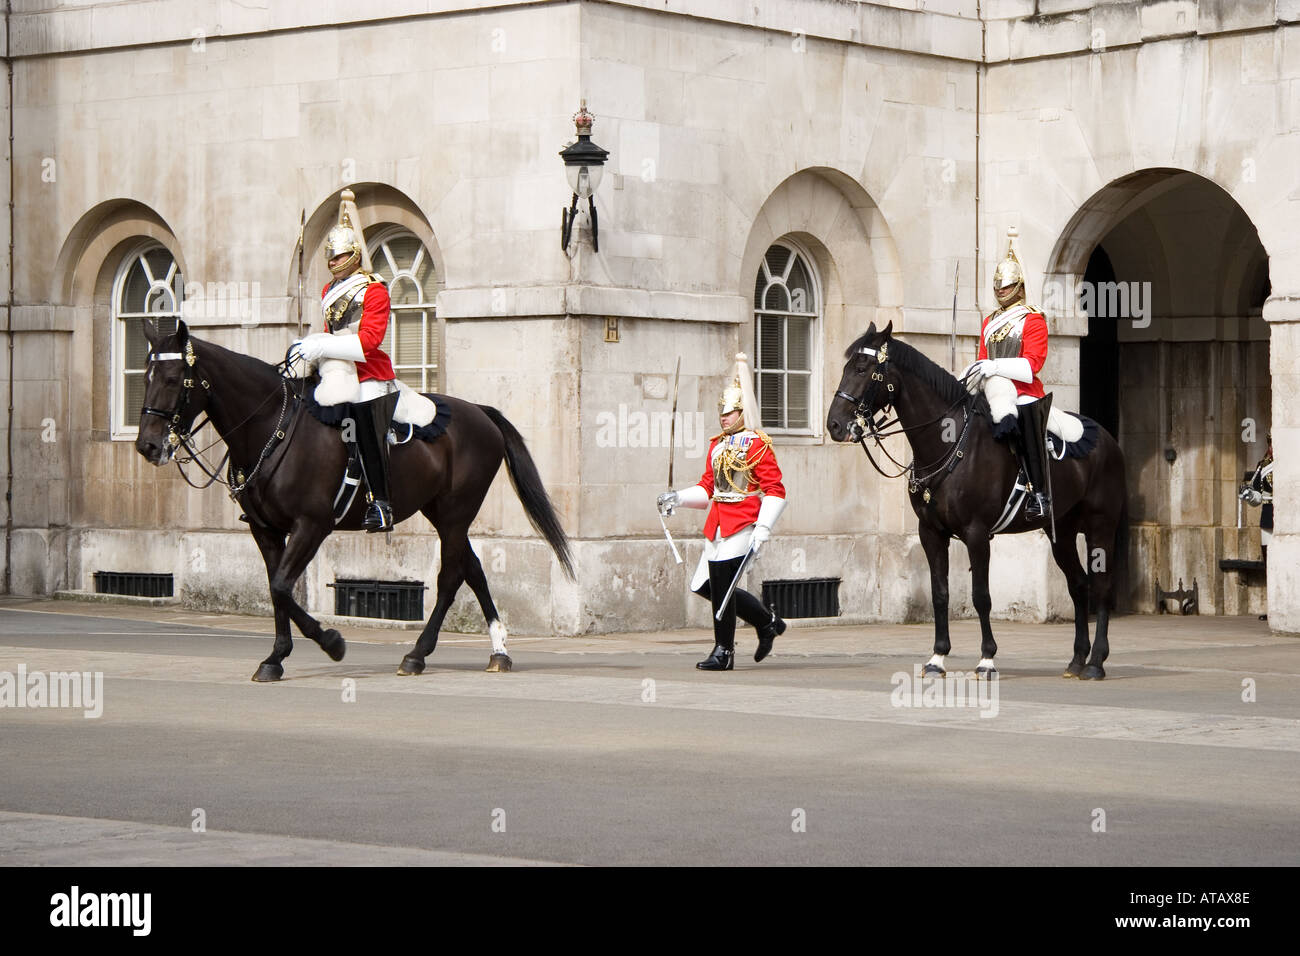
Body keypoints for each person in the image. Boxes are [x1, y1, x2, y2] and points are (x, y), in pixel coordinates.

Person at [657, 354, 787, 670]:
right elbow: (707, 489)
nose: (724, 418)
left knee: (722, 585)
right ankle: (766, 620)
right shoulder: (717, 446)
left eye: (730, 413)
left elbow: (775, 489)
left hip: (742, 522)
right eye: (722, 413)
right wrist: (677, 498)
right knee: (704, 585)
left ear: (743, 412)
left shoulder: (758, 445)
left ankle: (724, 651)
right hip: (717, 522)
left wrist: (764, 528)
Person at [291, 189, 398, 532]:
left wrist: (323, 346)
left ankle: (380, 504)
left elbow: (369, 341)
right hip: (337, 368)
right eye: (329, 258)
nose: (331, 263)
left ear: (353, 256)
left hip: (370, 373)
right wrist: (313, 348)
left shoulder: (374, 290)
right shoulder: (327, 291)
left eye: (337, 258)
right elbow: (329, 331)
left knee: (366, 420)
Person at [963, 227, 1052, 521]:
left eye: (1006, 286)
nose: (1001, 291)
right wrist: (972, 374)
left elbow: (1031, 366)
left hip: (1024, 391)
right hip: (992, 390)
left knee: (1026, 418)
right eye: (997, 287)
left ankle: (1039, 494)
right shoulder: (989, 321)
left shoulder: (1033, 319)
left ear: (1019, 285)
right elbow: (983, 359)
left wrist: (995, 367)